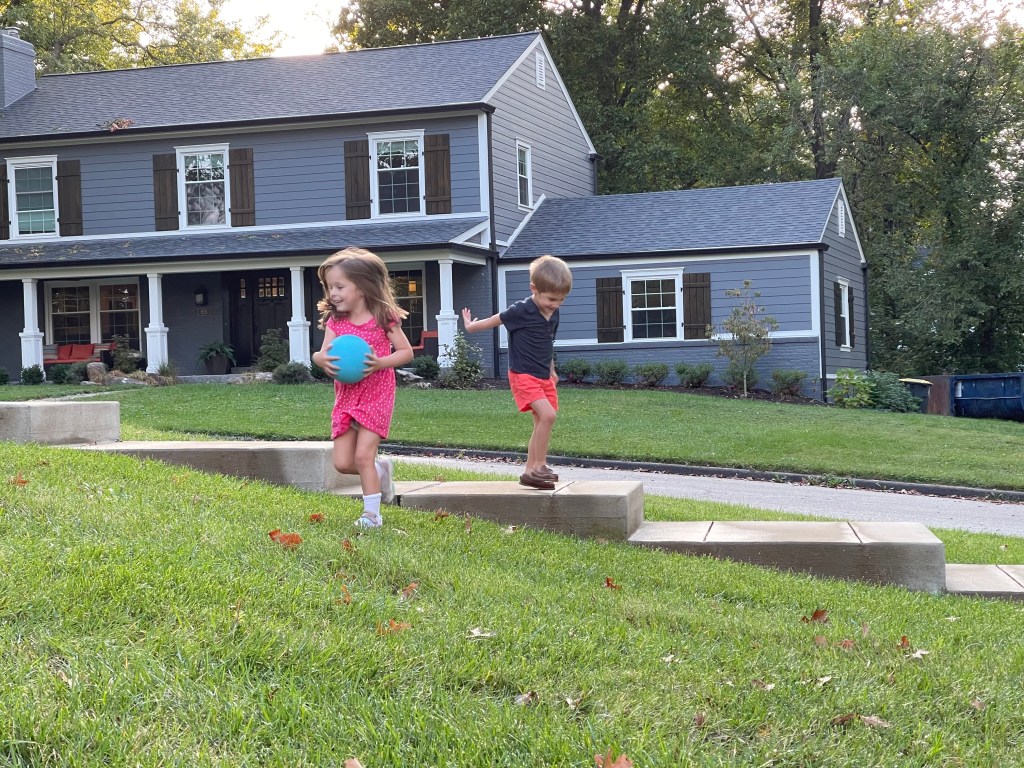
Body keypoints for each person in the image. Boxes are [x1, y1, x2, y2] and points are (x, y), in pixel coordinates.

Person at [312, 247, 414, 527]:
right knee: (344, 463)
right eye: (330, 287)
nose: (333, 293)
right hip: (347, 395)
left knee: (363, 456)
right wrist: (319, 359)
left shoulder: (383, 317)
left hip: (377, 393)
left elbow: (406, 352)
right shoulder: (336, 320)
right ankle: (382, 471)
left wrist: (380, 363)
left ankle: (372, 515)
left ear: (362, 286)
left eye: (339, 286)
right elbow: (322, 354)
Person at [461, 255, 572, 490]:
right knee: (548, 416)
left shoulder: (554, 313)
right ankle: (540, 465)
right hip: (523, 374)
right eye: (551, 299)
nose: (556, 304)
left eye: (561, 300)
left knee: (541, 421)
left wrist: (552, 369)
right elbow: (494, 320)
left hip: (543, 375)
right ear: (534, 288)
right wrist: (471, 326)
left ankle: (530, 472)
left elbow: (547, 343)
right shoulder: (521, 310)